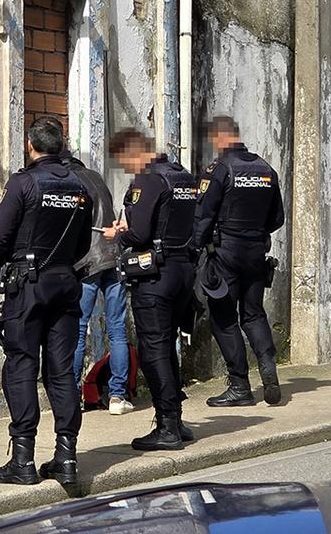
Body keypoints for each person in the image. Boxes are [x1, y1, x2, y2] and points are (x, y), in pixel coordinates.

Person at [0, 119, 93, 490]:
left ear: (30, 145)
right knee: (61, 371)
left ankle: (23, 460)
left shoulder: (24, 183)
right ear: (61, 147)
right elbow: (82, 245)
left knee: (21, 366)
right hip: (65, 283)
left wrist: (3, 267)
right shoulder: (81, 186)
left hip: (28, 286)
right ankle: (66, 457)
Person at [24, 118, 134, 417]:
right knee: (118, 331)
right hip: (114, 256)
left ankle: (70, 392)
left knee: (77, 330)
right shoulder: (95, 177)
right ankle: (117, 396)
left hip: (86, 262)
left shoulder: (69, 182)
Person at [103, 129, 197, 451]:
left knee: (152, 351)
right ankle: (177, 420)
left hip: (155, 276)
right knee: (167, 347)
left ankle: (167, 427)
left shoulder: (149, 179)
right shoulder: (182, 176)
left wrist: (117, 234)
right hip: (183, 270)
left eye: (124, 161)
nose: (126, 168)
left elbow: (140, 233)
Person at [193, 116, 285, 407]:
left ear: (220, 138)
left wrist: (195, 248)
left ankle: (240, 386)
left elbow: (203, 215)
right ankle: (269, 374)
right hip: (256, 253)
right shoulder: (266, 169)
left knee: (223, 318)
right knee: (254, 314)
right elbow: (277, 218)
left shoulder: (219, 170)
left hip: (226, 254)